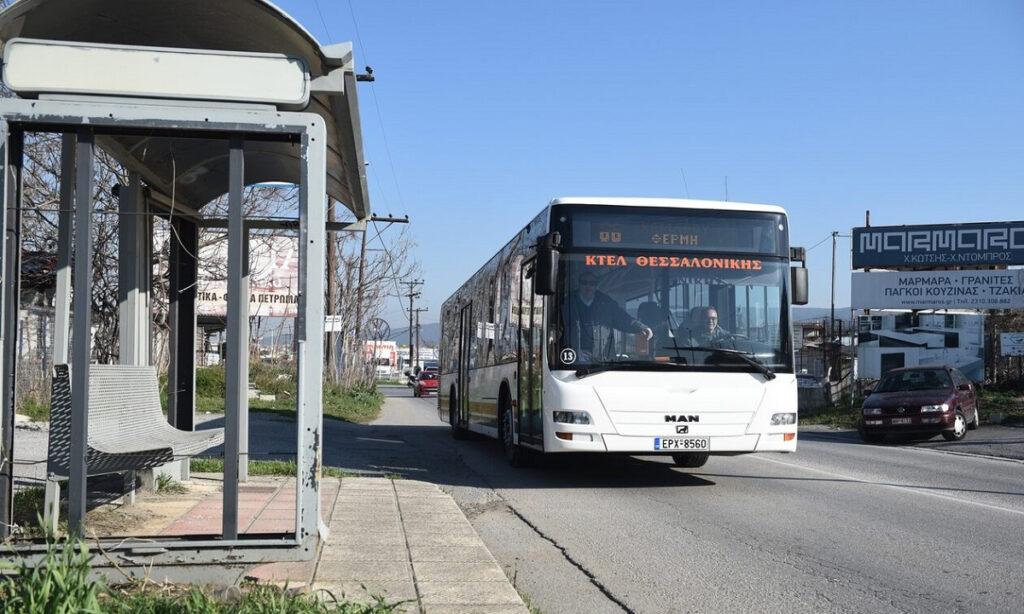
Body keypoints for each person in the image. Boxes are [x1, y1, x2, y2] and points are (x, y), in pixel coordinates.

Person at [565, 272, 653, 362]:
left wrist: (641, 327)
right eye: (584, 283)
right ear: (579, 284)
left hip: (601, 360)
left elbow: (623, 319)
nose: (588, 287)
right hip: (574, 359)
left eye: (592, 283)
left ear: (596, 286)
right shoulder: (567, 302)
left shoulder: (606, 303)